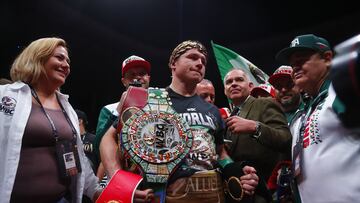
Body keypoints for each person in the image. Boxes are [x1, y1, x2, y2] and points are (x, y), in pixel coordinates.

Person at [100, 40, 259, 203]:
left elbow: (220, 152)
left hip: (213, 193)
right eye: (192, 57)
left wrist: (235, 171)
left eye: (203, 61)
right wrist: (120, 180)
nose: (199, 63)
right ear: (173, 64)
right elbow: (108, 139)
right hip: (165, 194)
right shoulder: (148, 99)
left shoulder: (212, 110)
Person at [0, 37, 101, 202]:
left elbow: (78, 161)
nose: (67, 65)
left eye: (68, 61)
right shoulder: (5, 95)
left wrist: (99, 192)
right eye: (60, 58)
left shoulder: (68, 110)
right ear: (38, 57)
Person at [275, 34, 360, 202]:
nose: (295, 68)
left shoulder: (340, 91)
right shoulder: (302, 114)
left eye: (301, 61)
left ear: (327, 58)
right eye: (293, 65)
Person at [223, 68, 292, 202]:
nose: (234, 84)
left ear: (250, 86)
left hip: (267, 191)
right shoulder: (230, 118)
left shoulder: (264, 103)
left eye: (239, 80)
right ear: (225, 90)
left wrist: (255, 127)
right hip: (243, 193)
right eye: (229, 82)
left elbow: (285, 139)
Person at [94, 55, 151, 168]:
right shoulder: (109, 110)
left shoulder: (161, 107)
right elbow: (98, 147)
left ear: (148, 78)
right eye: (132, 75)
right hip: (120, 170)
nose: (137, 78)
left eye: (142, 73)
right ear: (124, 81)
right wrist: (119, 110)